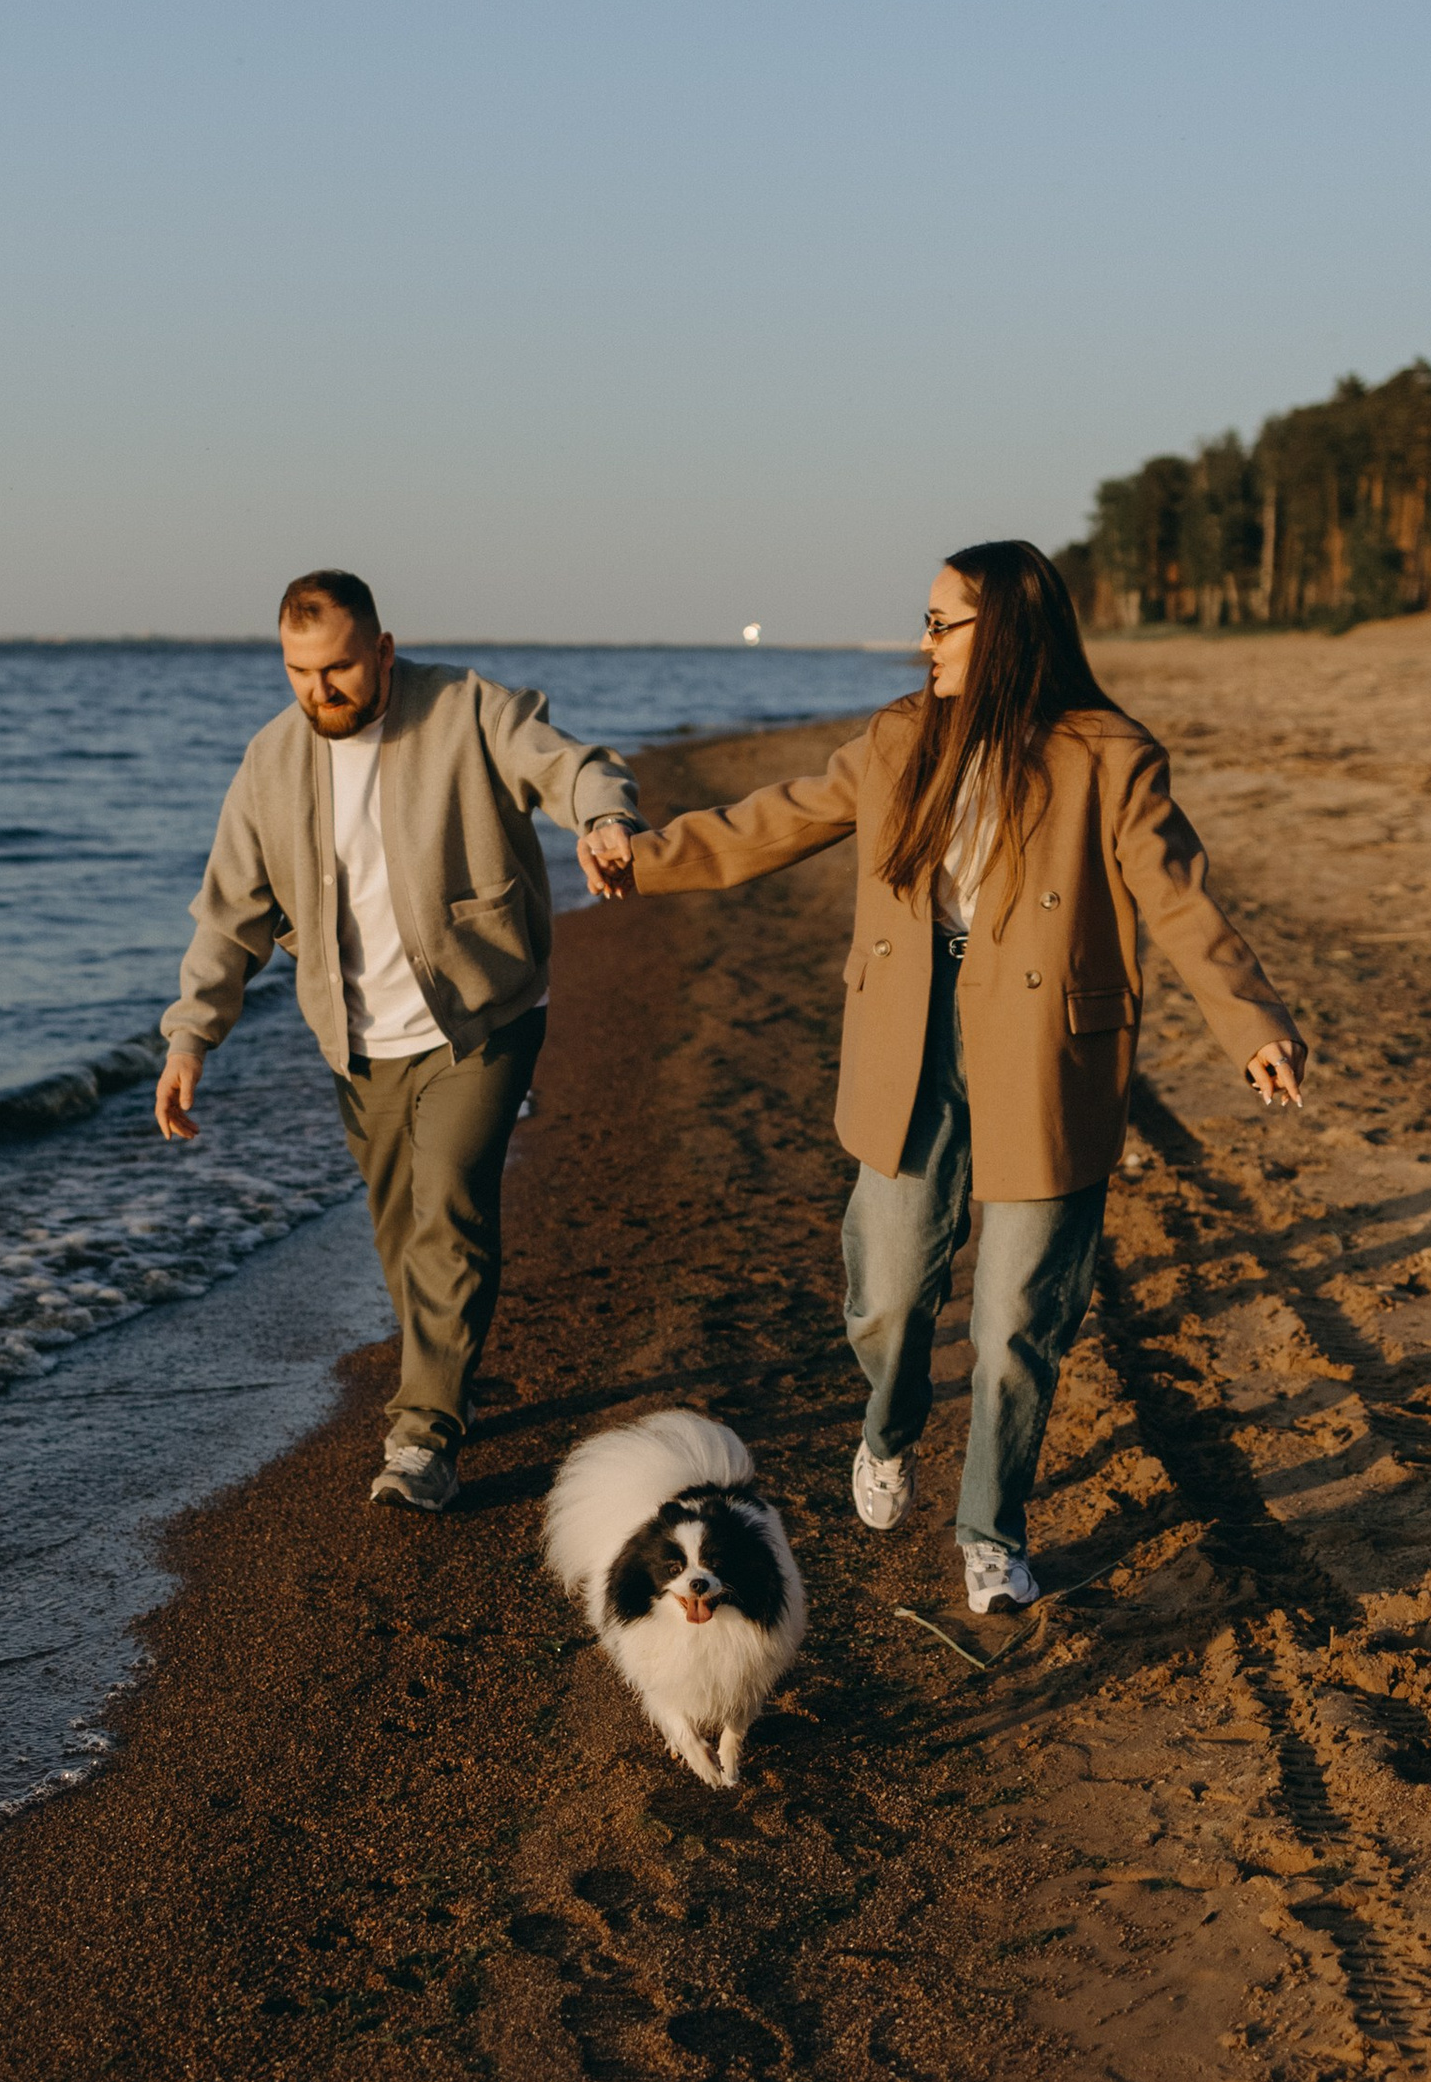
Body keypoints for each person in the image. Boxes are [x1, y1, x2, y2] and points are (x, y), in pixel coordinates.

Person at [581, 541, 1305, 1615]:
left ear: (1004, 630)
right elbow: (780, 816)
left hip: (1045, 1048)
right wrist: (642, 855)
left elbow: (1177, 894)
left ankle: (992, 1534)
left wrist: (1250, 1021)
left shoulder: (1109, 755)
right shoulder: (900, 738)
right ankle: (889, 1425)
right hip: (908, 1029)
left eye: (941, 622)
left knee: (1018, 1321)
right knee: (884, 1294)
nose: (923, 641)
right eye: (927, 621)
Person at [158, 570, 640, 1514]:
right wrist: (190, 1040)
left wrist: (606, 817)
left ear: (382, 650)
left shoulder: (467, 710)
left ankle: (424, 1436)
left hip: (483, 1016)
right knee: (402, 1236)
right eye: (299, 671)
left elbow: (571, 765)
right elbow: (229, 916)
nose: (320, 690)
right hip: (358, 1043)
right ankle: (446, 1379)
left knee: (449, 1205)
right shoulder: (271, 760)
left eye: (338, 667)